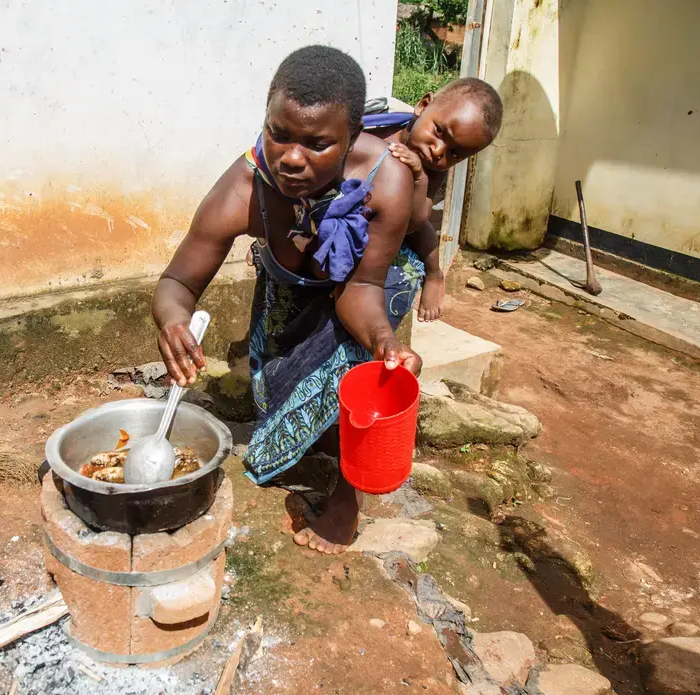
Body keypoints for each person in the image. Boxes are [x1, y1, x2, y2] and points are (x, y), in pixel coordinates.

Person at [153, 46, 501, 554]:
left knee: (355, 362)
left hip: (367, 285)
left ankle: (348, 496)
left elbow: (360, 290)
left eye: (317, 144)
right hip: (287, 285)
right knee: (278, 395)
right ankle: (316, 432)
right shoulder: (244, 186)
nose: (292, 158)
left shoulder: (388, 178)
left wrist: (384, 341)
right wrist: (173, 320)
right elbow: (177, 283)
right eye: (280, 134)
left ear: (353, 135)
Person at [364, 78, 505, 322]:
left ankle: (434, 273)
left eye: (454, 154)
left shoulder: (432, 168)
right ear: (423, 105)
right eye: (439, 132)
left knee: (423, 230)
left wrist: (419, 176)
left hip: (400, 223)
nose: (439, 151)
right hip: (362, 209)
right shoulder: (378, 127)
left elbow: (414, 221)